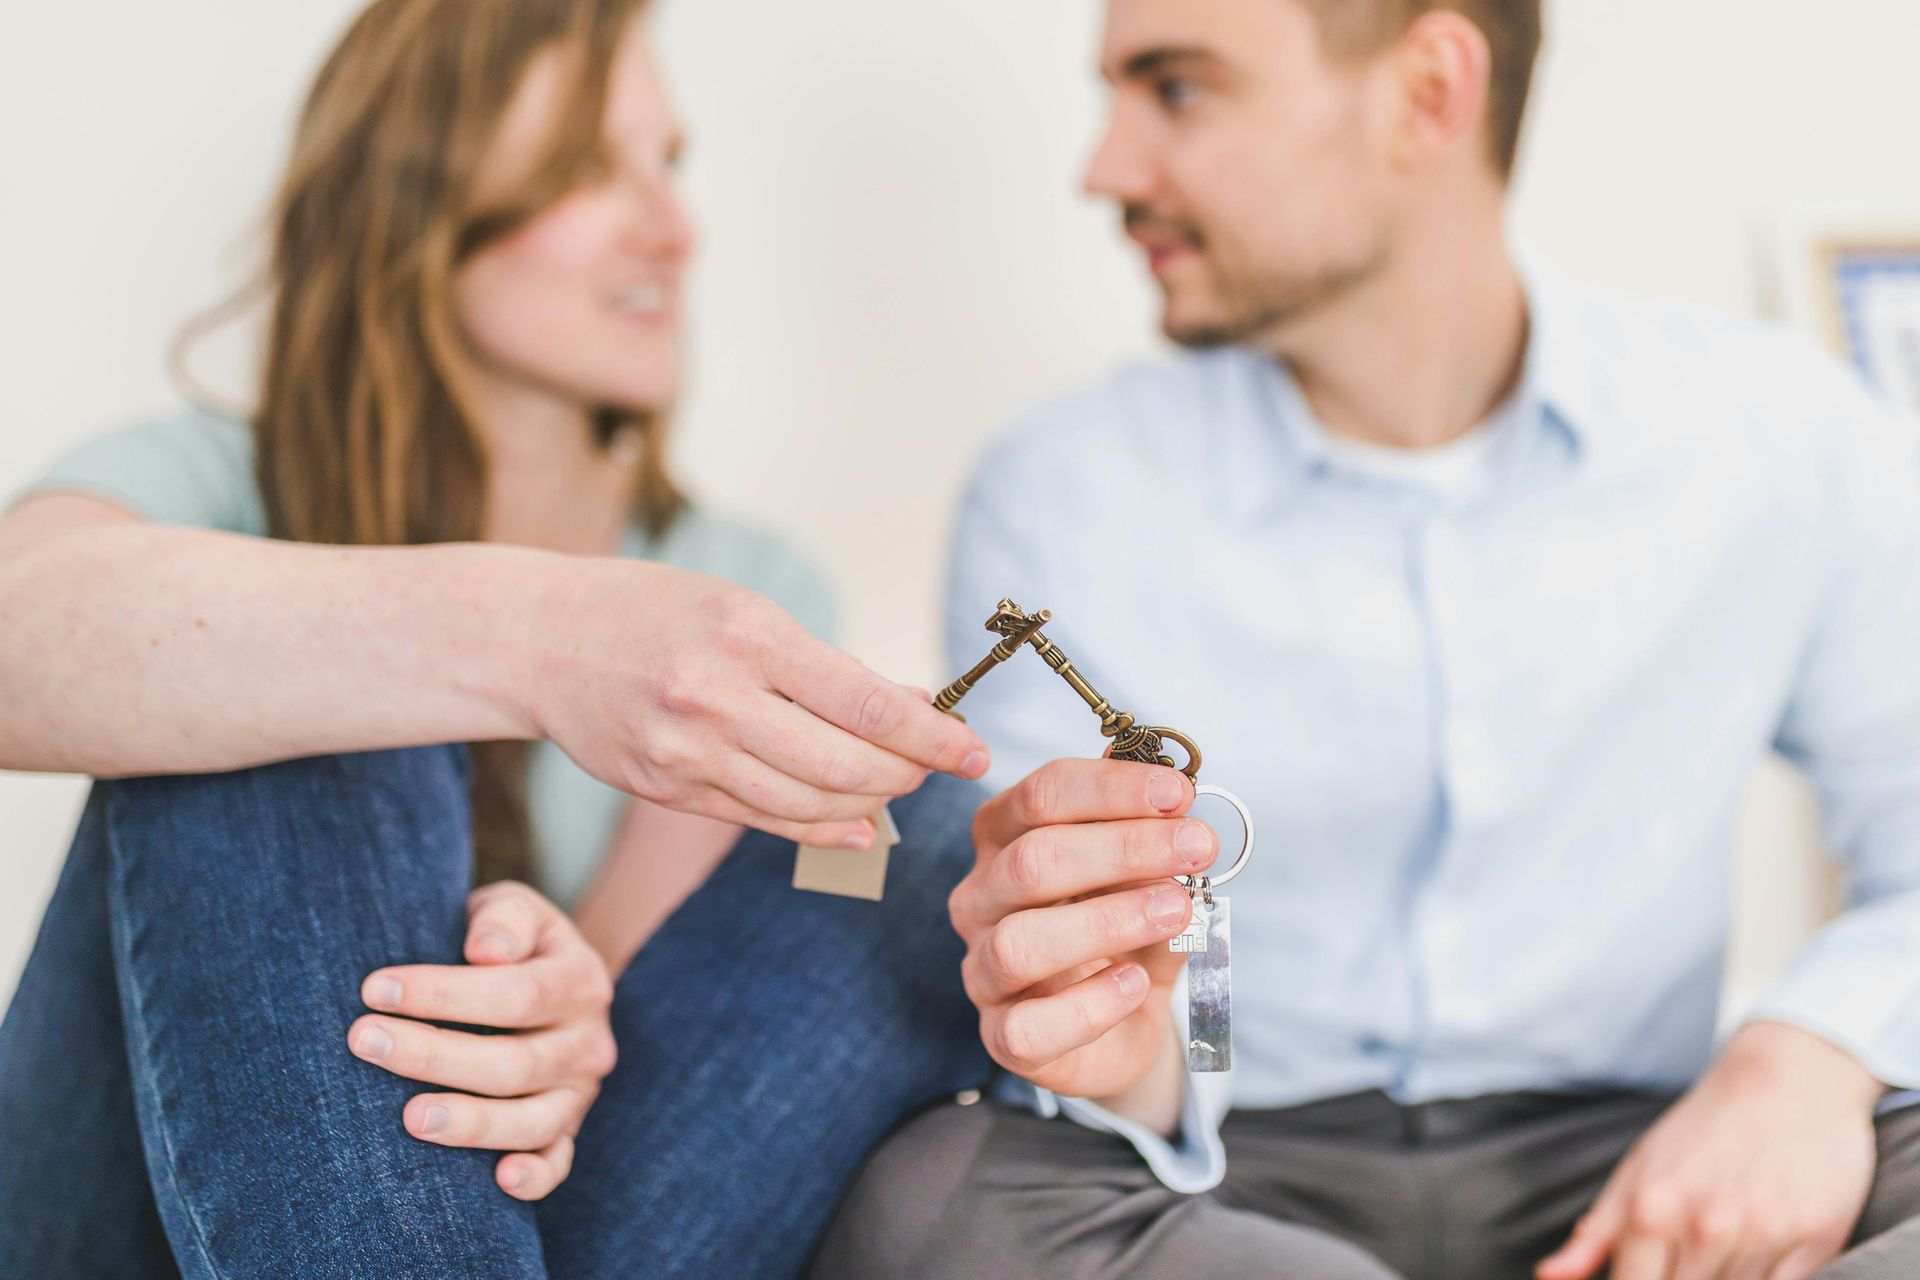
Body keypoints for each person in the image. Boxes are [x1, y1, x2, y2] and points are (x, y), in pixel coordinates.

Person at [815, 2, 1920, 1278]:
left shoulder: (1777, 438)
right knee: (934, 1205)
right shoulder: (1061, 492)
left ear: (1428, 93)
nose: (1104, 169)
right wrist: (1126, 1051)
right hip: (1226, 1179)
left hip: (1641, 1157)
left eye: (1175, 89)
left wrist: (1804, 1058)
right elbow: (1137, 1040)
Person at [0, 0, 1011, 1273]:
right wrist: (538, 635)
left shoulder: (737, 585)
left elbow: (653, 1062)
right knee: (289, 688)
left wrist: (561, 1016)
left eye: (671, 162)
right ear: (411, 210)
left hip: (516, 1208)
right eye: (589, 168)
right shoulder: (204, 479)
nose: (675, 226)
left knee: (907, 854)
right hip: (110, 1225)